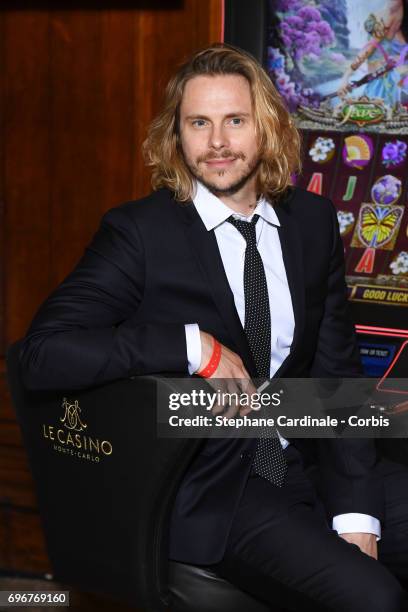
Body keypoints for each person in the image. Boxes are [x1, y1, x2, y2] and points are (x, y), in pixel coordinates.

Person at [20, 44, 408, 611]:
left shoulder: (312, 222)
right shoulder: (140, 234)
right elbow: (40, 355)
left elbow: (335, 379)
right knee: (373, 598)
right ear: (177, 134)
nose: (218, 143)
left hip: (307, 461)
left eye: (235, 121)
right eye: (199, 123)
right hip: (219, 490)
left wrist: (355, 512)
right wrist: (187, 345)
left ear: (267, 127)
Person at [337, 0, 408, 106]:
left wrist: (346, 76)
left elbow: (368, 49)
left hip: (383, 85)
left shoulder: (387, 15)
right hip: (389, 82)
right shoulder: (395, 13)